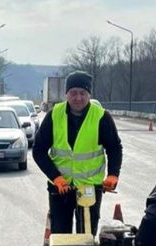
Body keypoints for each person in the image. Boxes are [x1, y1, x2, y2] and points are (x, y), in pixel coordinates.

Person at [32, 71, 123, 235]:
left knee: (86, 237)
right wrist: (55, 177)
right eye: (73, 93)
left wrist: (113, 174)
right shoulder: (54, 115)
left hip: (89, 187)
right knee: (60, 238)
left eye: (83, 93)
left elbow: (114, 148)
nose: (78, 98)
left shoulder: (101, 117)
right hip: (61, 187)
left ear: (89, 94)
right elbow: (38, 150)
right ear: (66, 94)